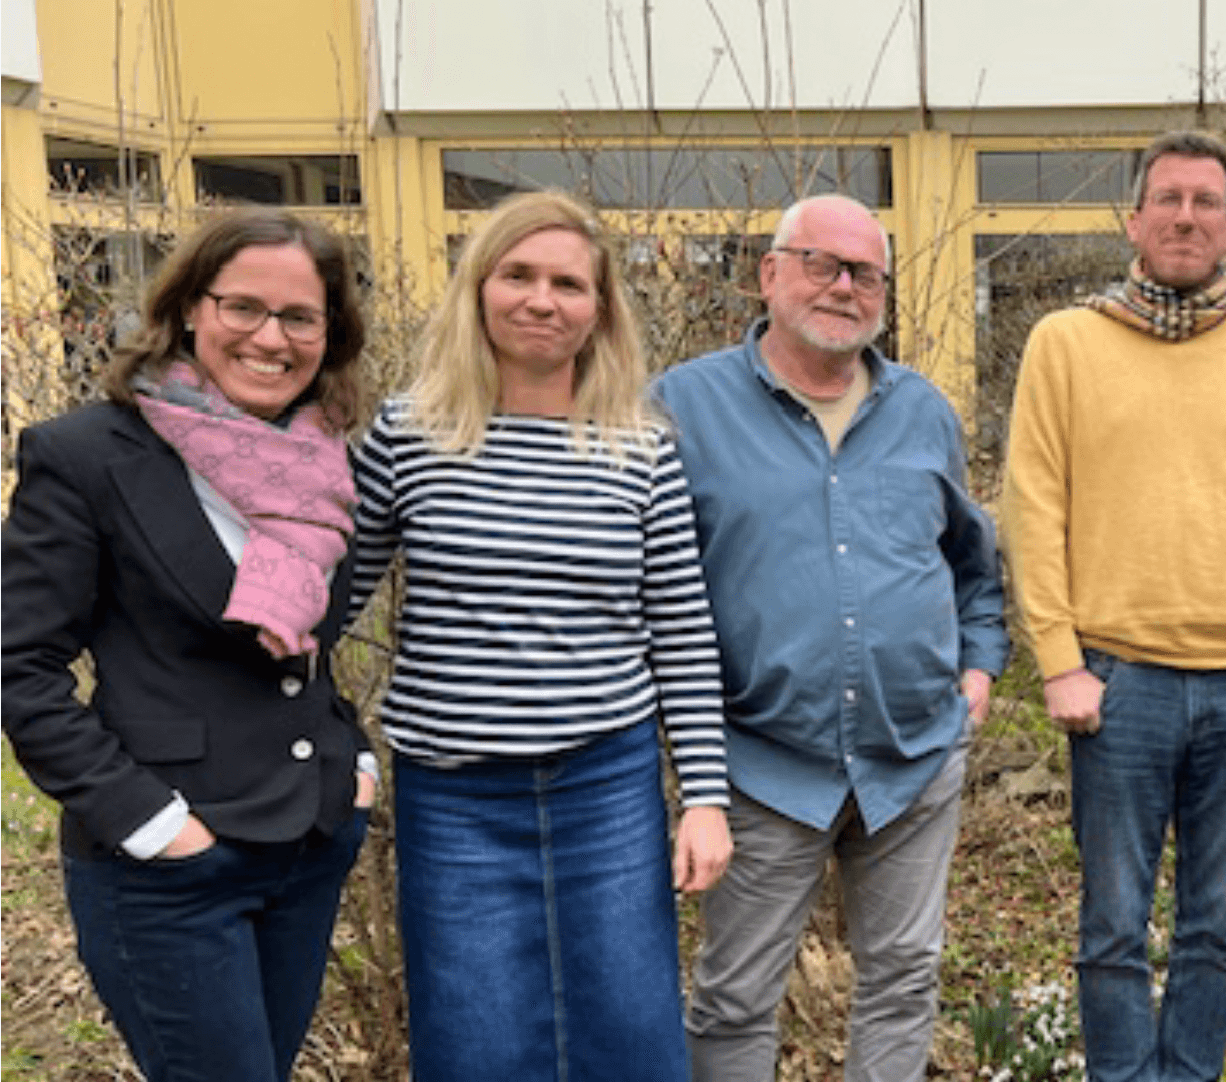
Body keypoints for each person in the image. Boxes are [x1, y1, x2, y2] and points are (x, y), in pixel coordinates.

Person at [348, 189, 732, 1080]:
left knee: (630, 1030)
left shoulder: (641, 447)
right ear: (478, 289)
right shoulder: (410, 435)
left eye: (568, 283)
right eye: (517, 275)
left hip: (605, 781)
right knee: (476, 1035)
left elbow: (680, 629)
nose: (541, 300)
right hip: (455, 795)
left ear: (599, 311)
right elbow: (327, 597)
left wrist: (705, 797)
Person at [1003, 130, 1226, 1082]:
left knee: (1217, 929)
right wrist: (1059, 660)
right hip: (1116, 685)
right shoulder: (1065, 342)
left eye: (1206, 201)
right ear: (1135, 219)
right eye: (1169, 199)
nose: (1186, 216)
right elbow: (1032, 508)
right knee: (1112, 928)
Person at [2, 207, 375, 1082]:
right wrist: (151, 823)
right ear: (190, 309)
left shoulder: (324, 465)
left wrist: (351, 758)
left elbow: (306, 649)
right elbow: (21, 670)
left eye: (299, 317)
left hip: (308, 846)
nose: (269, 338)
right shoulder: (86, 456)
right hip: (171, 869)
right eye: (243, 307)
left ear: (331, 333)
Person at [661, 193, 1008, 1082]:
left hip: (915, 759)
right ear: (770, 273)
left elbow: (972, 559)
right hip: (761, 763)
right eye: (822, 262)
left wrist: (978, 668)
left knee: (904, 980)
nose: (844, 286)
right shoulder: (682, 408)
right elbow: (644, 581)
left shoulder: (923, 409)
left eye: (865, 272)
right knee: (736, 996)